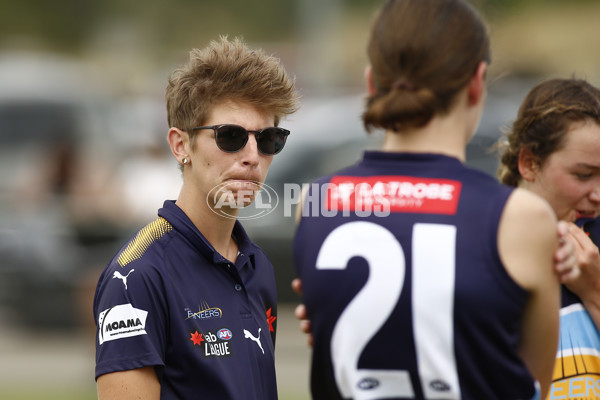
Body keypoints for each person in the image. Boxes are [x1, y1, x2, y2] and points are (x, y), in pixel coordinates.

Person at [292, 0, 561, 399]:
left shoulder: (315, 202)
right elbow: (534, 380)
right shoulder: (520, 218)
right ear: (477, 81)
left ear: (371, 83)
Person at [93, 36, 299, 399]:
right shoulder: (136, 276)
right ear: (180, 145)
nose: (252, 155)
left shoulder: (257, 266)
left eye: (268, 139)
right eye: (231, 136)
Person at [497, 77, 600, 400]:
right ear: (528, 163)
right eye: (583, 175)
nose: (598, 194)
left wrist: (593, 291)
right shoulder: (478, 244)